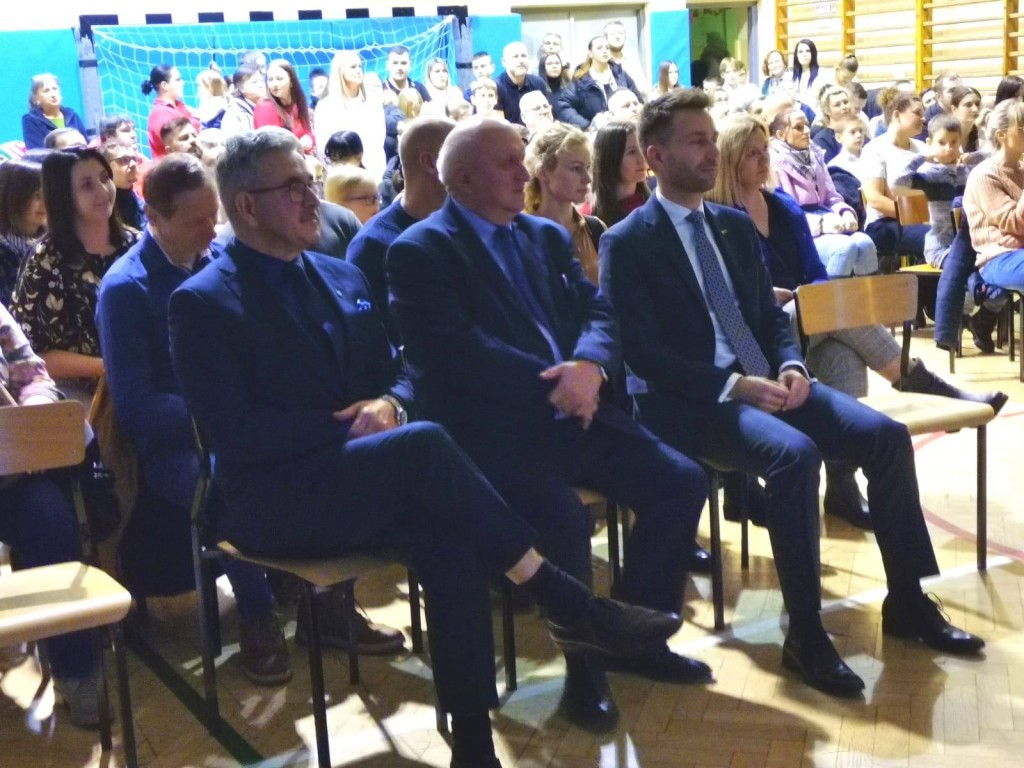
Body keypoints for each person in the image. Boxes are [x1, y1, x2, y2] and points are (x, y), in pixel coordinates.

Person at [168, 126, 684, 768]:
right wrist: (346, 426)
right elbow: (233, 433)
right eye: (293, 186)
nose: (311, 198)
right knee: (425, 446)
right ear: (247, 206)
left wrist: (391, 403)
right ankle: (571, 605)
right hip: (275, 498)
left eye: (309, 182)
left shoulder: (340, 274)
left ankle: (472, 742)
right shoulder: (202, 302)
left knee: (451, 539)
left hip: (368, 478)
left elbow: (404, 371)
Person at [599, 88, 987, 699]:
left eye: (711, 140)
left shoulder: (729, 225)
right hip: (692, 401)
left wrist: (788, 364)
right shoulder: (627, 241)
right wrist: (735, 384)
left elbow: (769, 314)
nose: (711, 153)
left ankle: (908, 600)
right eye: (696, 142)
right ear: (656, 157)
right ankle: (805, 633)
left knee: (885, 438)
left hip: (766, 378)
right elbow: (642, 353)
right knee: (794, 456)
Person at [387, 117, 713, 735]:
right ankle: (584, 676)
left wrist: (589, 367)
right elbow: (455, 352)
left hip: (577, 411)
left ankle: (635, 639)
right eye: (507, 162)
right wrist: (559, 384)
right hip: (492, 432)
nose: (524, 172)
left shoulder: (541, 235)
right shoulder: (420, 250)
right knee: (563, 518)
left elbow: (599, 310)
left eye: (522, 159)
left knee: (681, 480)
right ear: (462, 178)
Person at [708, 113, 1006, 525]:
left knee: (842, 356)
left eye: (764, 152)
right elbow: (724, 295)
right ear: (729, 160)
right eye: (751, 154)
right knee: (834, 310)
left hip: (806, 318)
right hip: (758, 334)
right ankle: (922, 382)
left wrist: (813, 298)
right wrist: (773, 297)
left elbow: (815, 272)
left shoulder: (784, 207)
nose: (763, 161)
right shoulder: (718, 217)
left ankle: (842, 488)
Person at [0, 302, 102, 727]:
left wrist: (34, 416)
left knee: (51, 518)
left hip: (8, 474)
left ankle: (74, 669)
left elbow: (34, 376)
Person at [11, 147, 138, 403]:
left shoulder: (137, 244)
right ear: (64, 196)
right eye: (87, 185)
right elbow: (34, 355)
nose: (103, 190)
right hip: (81, 392)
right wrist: (110, 367)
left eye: (105, 178)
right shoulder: (46, 260)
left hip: (145, 381)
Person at [347, 117, 455, 342]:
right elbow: (372, 335)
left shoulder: (471, 224)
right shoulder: (373, 244)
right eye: (461, 156)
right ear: (431, 163)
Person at [769, 108, 878, 277]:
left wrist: (846, 213)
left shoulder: (815, 154)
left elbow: (832, 196)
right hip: (800, 229)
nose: (807, 131)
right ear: (781, 135)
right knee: (843, 248)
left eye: (807, 125)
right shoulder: (772, 163)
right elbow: (783, 214)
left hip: (827, 218)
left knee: (865, 244)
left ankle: (867, 294)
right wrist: (820, 224)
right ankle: (826, 294)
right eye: (798, 127)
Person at [524, 122, 603, 285]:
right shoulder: (521, 235)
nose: (587, 179)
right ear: (543, 172)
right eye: (576, 168)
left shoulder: (594, 228)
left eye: (587, 167)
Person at [858, 91, 929, 268]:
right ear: (897, 115)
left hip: (921, 220)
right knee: (936, 239)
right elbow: (875, 199)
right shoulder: (874, 149)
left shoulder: (923, 148)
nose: (923, 118)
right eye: (917, 113)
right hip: (884, 224)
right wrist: (917, 216)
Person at [962, 99, 1024, 294]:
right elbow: (1016, 223)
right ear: (1001, 135)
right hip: (999, 259)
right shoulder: (984, 175)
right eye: (1023, 128)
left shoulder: (1021, 169)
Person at [314, 50, 387, 181]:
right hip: (341, 176)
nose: (358, 71)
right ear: (340, 70)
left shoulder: (373, 101)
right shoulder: (325, 105)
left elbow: (379, 139)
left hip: (373, 172)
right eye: (353, 67)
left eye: (360, 66)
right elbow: (323, 147)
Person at [555, 36, 642, 131]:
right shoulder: (582, 80)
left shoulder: (621, 74)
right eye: (599, 48)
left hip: (625, 130)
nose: (604, 51)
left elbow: (639, 101)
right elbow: (563, 105)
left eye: (607, 48)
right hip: (596, 132)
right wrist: (586, 125)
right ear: (590, 53)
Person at [0, 159, 46, 304]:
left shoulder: (55, 240)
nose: (46, 202)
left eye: (48, 193)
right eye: (37, 195)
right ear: (13, 198)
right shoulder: (4, 251)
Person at [590, 120, 650, 228]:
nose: (642, 159)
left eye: (642, 148)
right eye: (631, 152)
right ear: (610, 158)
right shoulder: (592, 217)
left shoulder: (655, 202)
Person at [254, 59, 315, 155]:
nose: (274, 84)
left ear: (291, 81)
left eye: (279, 79)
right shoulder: (265, 107)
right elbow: (272, 147)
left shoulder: (298, 104)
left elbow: (308, 131)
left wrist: (309, 139)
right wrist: (297, 146)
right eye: (270, 79)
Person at [143, 64, 200, 159]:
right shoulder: (160, 114)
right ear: (164, 85)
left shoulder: (180, 106)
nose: (183, 83)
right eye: (178, 80)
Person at [22, 74, 88, 151]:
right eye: (46, 91)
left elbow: (85, 143)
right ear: (36, 99)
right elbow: (36, 151)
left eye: (55, 89)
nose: (53, 94)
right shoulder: (31, 120)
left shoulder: (73, 116)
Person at [494, 41, 549, 127]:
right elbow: (500, 127)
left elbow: (546, 117)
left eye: (524, 56)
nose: (521, 60)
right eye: (515, 56)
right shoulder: (496, 87)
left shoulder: (539, 83)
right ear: (504, 62)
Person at [98, 139, 145, 230]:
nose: (133, 164)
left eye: (134, 159)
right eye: (124, 160)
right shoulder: (101, 208)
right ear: (106, 167)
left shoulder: (141, 204)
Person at [220, 64, 265, 138]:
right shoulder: (234, 113)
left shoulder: (268, 106)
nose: (261, 85)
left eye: (262, 81)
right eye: (254, 82)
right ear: (241, 87)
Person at [812, 86, 855, 163]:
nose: (844, 107)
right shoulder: (821, 140)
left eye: (846, 102)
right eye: (837, 105)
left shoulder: (857, 131)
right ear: (827, 111)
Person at [604, 19, 646, 90]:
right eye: (613, 34)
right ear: (606, 38)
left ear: (625, 37)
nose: (617, 37)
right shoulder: (601, 61)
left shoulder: (632, 59)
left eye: (620, 33)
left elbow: (643, 88)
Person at [789, 39, 824, 109]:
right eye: (800, 52)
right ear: (796, 55)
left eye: (808, 51)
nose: (804, 54)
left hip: (817, 113)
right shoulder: (790, 77)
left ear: (813, 53)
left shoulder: (823, 74)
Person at [949, 85, 982, 152]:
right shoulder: (945, 133)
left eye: (977, 104)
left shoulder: (983, 132)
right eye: (968, 105)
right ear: (954, 109)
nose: (975, 109)